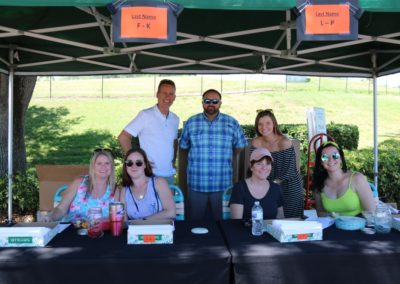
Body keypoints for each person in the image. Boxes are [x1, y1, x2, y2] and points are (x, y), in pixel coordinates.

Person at [179, 89, 247, 220]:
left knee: (223, 224)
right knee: (195, 223)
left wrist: (228, 156)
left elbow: (240, 145)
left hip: (222, 183)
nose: (211, 104)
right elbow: (184, 145)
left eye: (215, 101)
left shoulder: (231, 122)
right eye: (207, 101)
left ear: (220, 103)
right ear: (202, 103)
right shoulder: (191, 122)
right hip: (197, 183)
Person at [118, 79, 179, 184]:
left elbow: (174, 142)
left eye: (171, 94)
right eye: (164, 93)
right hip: (149, 174)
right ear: (157, 94)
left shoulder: (175, 119)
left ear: (174, 97)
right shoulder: (145, 115)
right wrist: (133, 161)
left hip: (169, 174)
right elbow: (123, 137)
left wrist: (172, 162)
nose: (167, 97)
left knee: (167, 201)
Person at [251, 109, 303, 218]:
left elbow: (289, 170)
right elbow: (254, 165)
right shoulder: (256, 142)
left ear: (274, 124)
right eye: (260, 124)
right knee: (267, 219)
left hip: (289, 186)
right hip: (267, 185)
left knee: (290, 221)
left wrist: (271, 185)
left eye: (268, 123)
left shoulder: (284, 142)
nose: (264, 127)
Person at [44, 149, 120, 222]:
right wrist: (50, 216)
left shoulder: (115, 190)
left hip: (101, 233)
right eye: (99, 163)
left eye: (107, 163)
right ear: (93, 166)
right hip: (72, 231)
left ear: (112, 167)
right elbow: (61, 209)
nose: (103, 167)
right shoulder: (79, 182)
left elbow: (117, 219)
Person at [312, 141, 376, 217]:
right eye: (325, 157)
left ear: (341, 158)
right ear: (321, 162)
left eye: (335, 155)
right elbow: (320, 212)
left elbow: (371, 212)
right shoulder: (319, 183)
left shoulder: (357, 179)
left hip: (360, 226)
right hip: (333, 227)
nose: (331, 159)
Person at [119, 148, 176, 220]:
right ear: (126, 166)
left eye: (138, 163)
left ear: (145, 165)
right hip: (135, 231)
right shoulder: (125, 191)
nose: (134, 166)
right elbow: (124, 221)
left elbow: (171, 212)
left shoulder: (159, 182)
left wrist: (143, 221)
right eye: (129, 163)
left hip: (160, 230)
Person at [230, 147, 284, 220]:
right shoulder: (239, 188)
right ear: (251, 167)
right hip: (245, 231)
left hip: (271, 231)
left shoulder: (276, 188)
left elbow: (280, 219)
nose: (264, 168)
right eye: (259, 164)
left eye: (268, 164)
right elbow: (236, 222)